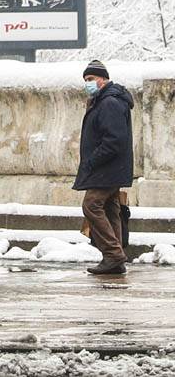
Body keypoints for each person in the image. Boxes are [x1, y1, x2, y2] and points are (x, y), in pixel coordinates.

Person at [74, 60, 134, 275]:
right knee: (110, 209)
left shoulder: (109, 102)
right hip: (111, 168)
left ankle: (113, 254)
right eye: (85, 80)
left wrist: (92, 161)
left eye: (91, 79)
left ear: (103, 79)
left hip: (107, 168)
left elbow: (114, 140)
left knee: (91, 205)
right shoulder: (104, 100)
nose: (88, 84)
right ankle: (114, 259)